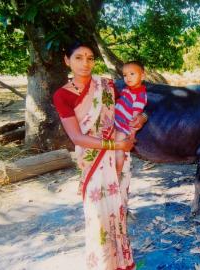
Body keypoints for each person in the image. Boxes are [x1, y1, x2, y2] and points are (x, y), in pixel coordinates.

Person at [53, 41, 140, 269]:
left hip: (118, 159)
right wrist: (116, 146)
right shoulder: (62, 95)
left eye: (90, 58)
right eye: (79, 58)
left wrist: (142, 119)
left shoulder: (107, 85)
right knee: (97, 217)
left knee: (118, 211)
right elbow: (77, 137)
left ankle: (122, 262)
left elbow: (129, 109)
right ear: (67, 60)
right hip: (93, 159)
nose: (85, 63)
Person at [114, 61, 148, 177]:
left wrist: (131, 136)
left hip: (122, 127)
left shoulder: (140, 95)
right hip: (115, 122)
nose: (128, 77)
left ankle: (117, 173)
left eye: (132, 74)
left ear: (142, 76)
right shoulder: (127, 89)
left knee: (119, 149)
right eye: (125, 75)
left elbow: (135, 118)